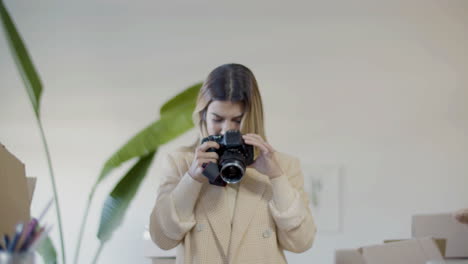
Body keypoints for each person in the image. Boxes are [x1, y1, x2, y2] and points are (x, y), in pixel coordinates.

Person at [149, 63, 316, 264]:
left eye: (237, 120)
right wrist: (192, 179)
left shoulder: (282, 166)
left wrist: (276, 178)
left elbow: (301, 243)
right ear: (203, 115)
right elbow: (162, 239)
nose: (226, 129)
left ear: (253, 117)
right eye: (217, 119)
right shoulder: (181, 162)